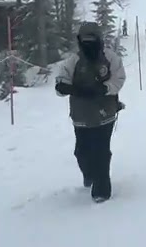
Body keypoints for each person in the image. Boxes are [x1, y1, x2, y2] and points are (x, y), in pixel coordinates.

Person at [54, 22, 127, 203]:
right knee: (82, 151)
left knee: (101, 150)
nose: (88, 44)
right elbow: (61, 81)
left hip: (105, 112)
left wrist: (104, 88)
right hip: (81, 114)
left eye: (91, 40)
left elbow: (119, 78)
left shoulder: (110, 58)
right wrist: (66, 88)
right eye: (84, 40)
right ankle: (90, 174)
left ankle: (102, 188)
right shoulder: (73, 61)